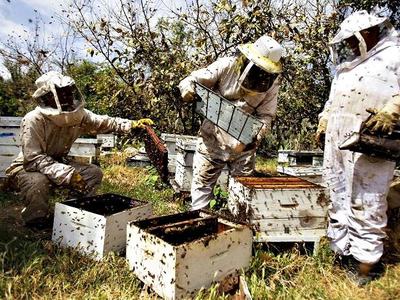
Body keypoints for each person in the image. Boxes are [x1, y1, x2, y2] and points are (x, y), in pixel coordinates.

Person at [6, 71, 153, 229]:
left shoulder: (79, 115)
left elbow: (105, 122)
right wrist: (68, 174)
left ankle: (73, 211)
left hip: (58, 162)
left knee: (93, 173)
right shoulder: (34, 119)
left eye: (68, 92)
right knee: (37, 181)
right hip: (27, 167)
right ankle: (36, 220)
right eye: (62, 93)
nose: (68, 97)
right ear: (48, 96)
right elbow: (34, 159)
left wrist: (131, 125)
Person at [316, 10, 400, 284]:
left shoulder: (394, 55)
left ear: (368, 33)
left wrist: (394, 110)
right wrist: (325, 120)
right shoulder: (346, 66)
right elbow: (333, 100)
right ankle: (342, 252)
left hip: (373, 142)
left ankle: (367, 263)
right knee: (336, 193)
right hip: (338, 143)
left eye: (353, 39)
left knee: (367, 200)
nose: (350, 45)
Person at [179, 35, 283, 210]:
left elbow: (266, 116)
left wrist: (257, 133)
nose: (261, 76)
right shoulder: (226, 65)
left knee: (242, 195)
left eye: (266, 72)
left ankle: (236, 230)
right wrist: (188, 89)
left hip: (243, 145)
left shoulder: (271, 84)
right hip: (212, 139)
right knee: (202, 188)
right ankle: (199, 223)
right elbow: (192, 79)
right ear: (247, 61)